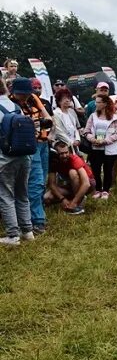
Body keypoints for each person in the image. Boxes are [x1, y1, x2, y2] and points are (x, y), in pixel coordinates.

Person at [9, 77, 52, 235]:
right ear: (14, 92)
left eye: (27, 93)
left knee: (41, 182)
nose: (25, 97)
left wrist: (41, 122)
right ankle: (37, 221)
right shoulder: (11, 103)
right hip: (28, 146)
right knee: (35, 182)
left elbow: (48, 118)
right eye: (22, 94)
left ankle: (35, 217)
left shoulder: (34, 99)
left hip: (43, 143)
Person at [0, 79, 34, 246]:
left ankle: (13, 235)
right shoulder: (15, 106)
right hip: (24, 156)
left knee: (6, 194)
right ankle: (28, 231)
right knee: (22, 193)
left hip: (5, 158)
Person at [84, 93, 117, 199]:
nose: (96, 104)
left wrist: (106, 141)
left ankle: (106, 190)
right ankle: (97, 189)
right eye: (96, 102)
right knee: (95, 168)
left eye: (98, 102)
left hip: (109, 148)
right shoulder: (93, 116)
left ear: (105, 104)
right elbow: (86, 131)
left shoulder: (115, 117)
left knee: (108, 169)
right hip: (95, 147)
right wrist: (92, 139)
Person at [43, 140, 94, 215]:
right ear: (56, 153)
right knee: (46, 197)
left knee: (72, 172)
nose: (64, 156)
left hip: (87, 184)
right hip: (70, 186)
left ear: (69, 151)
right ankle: (69, 201)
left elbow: (86, 184)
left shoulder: (74, 159)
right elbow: (51, 184)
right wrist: (62, 199)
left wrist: (74, 202)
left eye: (66, 152)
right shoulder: (54, 162)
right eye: (61, 153)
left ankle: (78, 204)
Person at [50, 87, 81, 151]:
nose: (67, 100)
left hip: (74, 144)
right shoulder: (55, 113)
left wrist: (77, 139)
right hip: (62, 145)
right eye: (64, 98)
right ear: (59, 101)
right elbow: (58, 131)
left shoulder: (72, 112)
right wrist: (71, 142)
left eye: (69, 98)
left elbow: (75, 128)